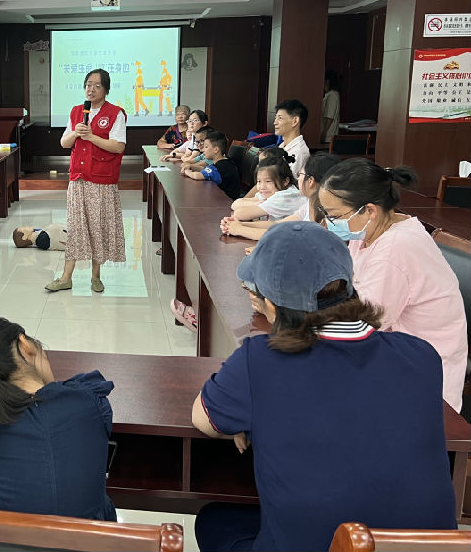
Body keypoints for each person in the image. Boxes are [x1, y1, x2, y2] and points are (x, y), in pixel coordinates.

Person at [192, 222, 456, 552]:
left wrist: (249, 419)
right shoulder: (421, 355)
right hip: (427, 547)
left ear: (271, 305)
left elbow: (203, 419)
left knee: (214, 521)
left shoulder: (258, 359)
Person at [318, 159, 467, 412]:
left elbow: (362, 325)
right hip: (389, 352)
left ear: (369, 210)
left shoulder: (396, 248)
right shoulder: (368, 231)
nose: (329, 223)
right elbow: (346, 286)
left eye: (334, 216)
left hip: (420, 375)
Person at [0, 316, 116, 521]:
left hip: (5, 537)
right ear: (24, 344)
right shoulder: (90, 401)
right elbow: (53, 395)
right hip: (94, 536)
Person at [46, 69, 126, 293]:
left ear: (106, 90)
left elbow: (118, 146)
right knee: (75, 227)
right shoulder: (77, 111)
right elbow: (64, 143)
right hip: (78, 178)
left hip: (101, 180)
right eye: (88, 84)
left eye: (97, 86)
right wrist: (76, 133)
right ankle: (66, 278)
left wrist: (91, 136)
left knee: (97, 228)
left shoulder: (116, 113)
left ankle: (96, 277)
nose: (91, 89)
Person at [221, 152, 341, 240]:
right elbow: (278, 225)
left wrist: (239, 229)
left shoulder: (324, 213)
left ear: (310, 181)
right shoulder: (310, 203)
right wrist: (238, 224)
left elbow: (279, 235)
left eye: (300, 174)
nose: (298, 178)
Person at [230, 157, 303, 221]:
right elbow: (235, 204)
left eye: (268, 181)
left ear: (285, 181)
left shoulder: (287, 197)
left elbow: (239, 214)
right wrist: (256, 204)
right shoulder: (270, 192)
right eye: (259, 181)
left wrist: (255, 206)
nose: (262, 187)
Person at [181, 132, 241, 199]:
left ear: (216, 150)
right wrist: (191, 166)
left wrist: (187, 172)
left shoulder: (222, 166)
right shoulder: (222, 161)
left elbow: (197, 176)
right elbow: (204, 169)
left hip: (226, 201)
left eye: (206, 147)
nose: (203, 150)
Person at [273, 99, 310, 178]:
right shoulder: (282, 145)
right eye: (275, 118)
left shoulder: (299, 152)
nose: (275, 122)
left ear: (295, 121)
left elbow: (285, 181)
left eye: (280, 118)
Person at [321, 70, 341, 145]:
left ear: (327, 82)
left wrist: (324, 133)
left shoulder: (332, 95)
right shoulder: (331, 94)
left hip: (328, 136)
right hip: (328, 135)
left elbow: (330, 117)